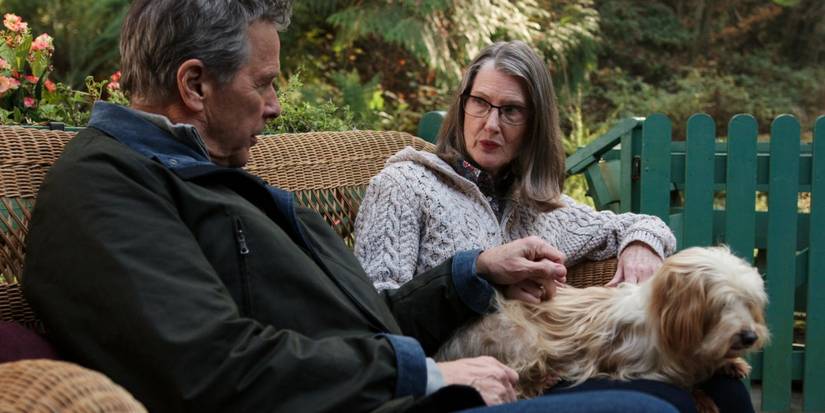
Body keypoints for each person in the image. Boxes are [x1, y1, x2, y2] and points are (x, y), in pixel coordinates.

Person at [20, 1, 681, 412]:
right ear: (195, 84)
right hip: (386, 400)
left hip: (390, 384)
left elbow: (362, 317)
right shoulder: (110, 187)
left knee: (695, 387)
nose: (275, 105)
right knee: (653, 406)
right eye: (265, 83)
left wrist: (469, 273)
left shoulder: (210, 172)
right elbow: (213, 369)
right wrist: (425, 374)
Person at [354, 41, 754, 412]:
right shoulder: (405, 186)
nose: (491, 124)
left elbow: (632, 225)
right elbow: (371, 317)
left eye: (511, 110)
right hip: (455, 381)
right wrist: (482, 276)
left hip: (547, 368)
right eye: (480, 102)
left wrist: (642, 245)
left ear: (534, 124)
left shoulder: (538, 208)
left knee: (725, 385)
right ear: (462, 105)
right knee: (668, 399)